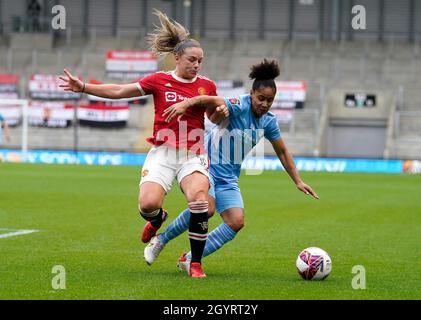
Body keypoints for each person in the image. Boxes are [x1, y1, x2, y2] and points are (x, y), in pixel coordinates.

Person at [59, 10, 228, 278]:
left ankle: (195, 263)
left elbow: (213, 116)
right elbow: (119, 91)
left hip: (193, 152)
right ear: (177, 57)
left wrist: (221, 112)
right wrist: (83, 88)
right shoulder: (159, 80)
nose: (197, 65)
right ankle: (157, 219)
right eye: (192, 60)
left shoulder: (207, 85)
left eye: (200, 61)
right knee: (148, 204)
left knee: (200, 204)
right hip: (163, 151)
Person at [143, 59, 319, 274]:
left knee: (236, 221)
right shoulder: (238, 104)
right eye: (261, 98)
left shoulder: (269, 121)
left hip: (229, 177)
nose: (264, 104)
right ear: (252, 94)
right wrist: (189, 103)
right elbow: (212, 100)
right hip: (207, 167)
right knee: (206, 209)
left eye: (270, 100)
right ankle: (161, 240)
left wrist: (298, 181)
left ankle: (188, 259)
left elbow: (282, 151)